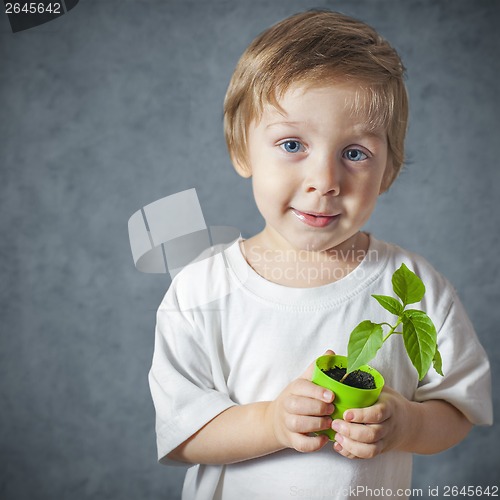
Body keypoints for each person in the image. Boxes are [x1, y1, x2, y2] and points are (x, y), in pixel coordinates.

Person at [149, 10, 492, 499]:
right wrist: (272, 421)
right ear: (242, 149)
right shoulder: (202, 290)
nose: (326, 181)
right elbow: (182, 435)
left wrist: (409, 423)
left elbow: (459, 408)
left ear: (388, 170)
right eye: (292, 144)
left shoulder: (413, 286)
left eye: (355, 153)